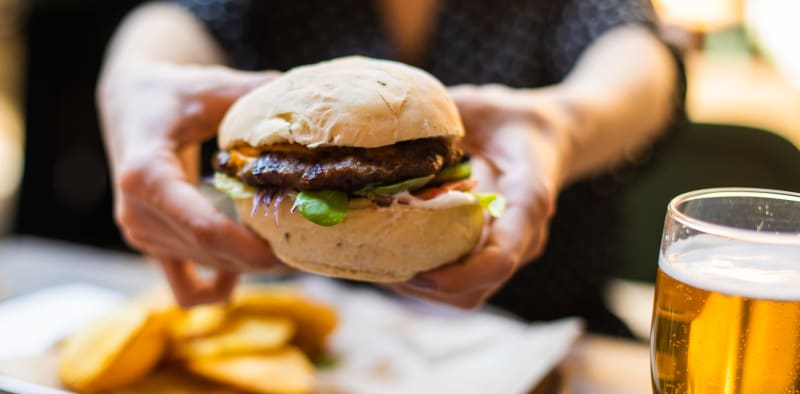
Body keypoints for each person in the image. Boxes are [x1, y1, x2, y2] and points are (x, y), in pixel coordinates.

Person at [98, 0, 683, 335]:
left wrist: (568, 121)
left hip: (543, 327)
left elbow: (637, 52)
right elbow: (179, 19)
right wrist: (133, 80)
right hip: (325, 331)